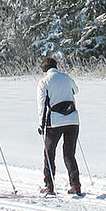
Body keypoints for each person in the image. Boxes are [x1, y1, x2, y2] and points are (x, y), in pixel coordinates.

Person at [36, 56, 82, 196]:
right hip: (73, 120)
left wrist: (41, 123)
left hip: (54, 122)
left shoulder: (44, 82)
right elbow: (76, 91)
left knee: (49, 154)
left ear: (44, 69)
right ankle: (75, 185)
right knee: (69, 154)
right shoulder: (66, 78)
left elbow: (41, 104)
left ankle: (49, 186)